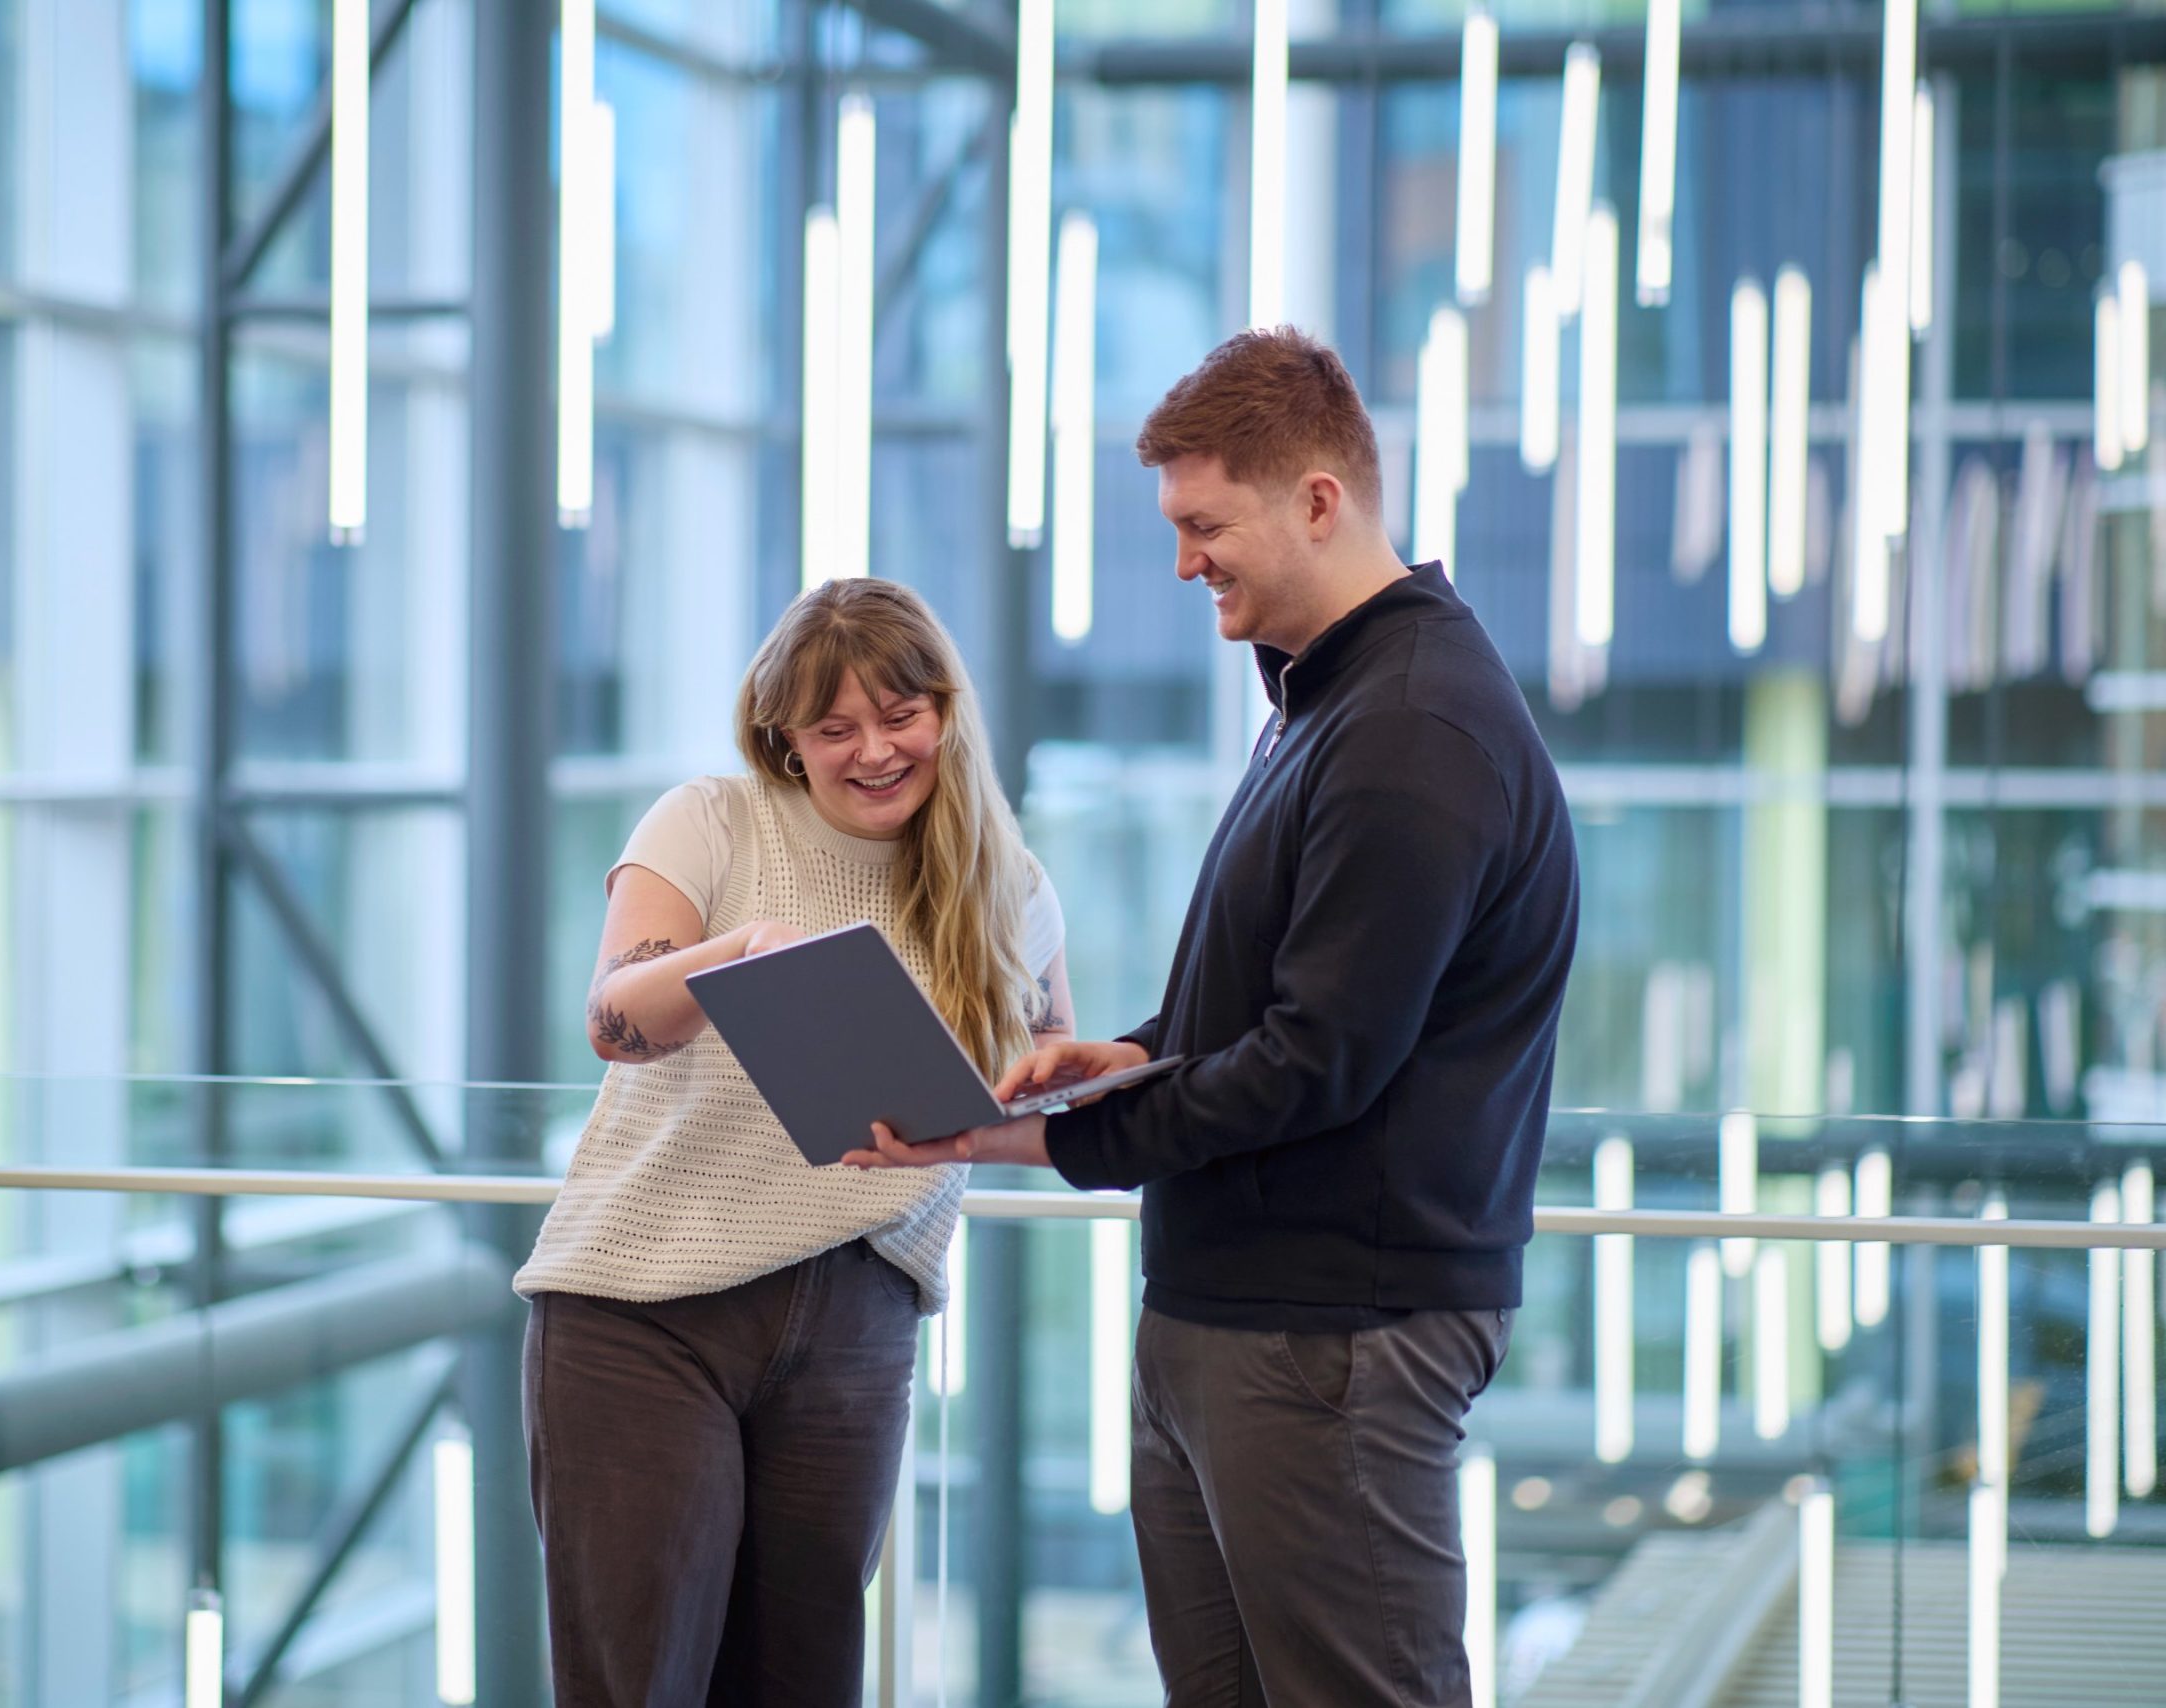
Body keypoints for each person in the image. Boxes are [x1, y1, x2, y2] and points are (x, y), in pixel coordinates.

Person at [849, 326, 1580, 1707]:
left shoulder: (1412, 726)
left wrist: (1015, 1142)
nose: (1185, 563)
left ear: (1319, 499)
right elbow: (1310, 1003)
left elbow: (1319, 1066)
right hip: (1250, 1319)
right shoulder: (1332, 700)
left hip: (1327, 1335)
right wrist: (1135, 1056)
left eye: (1205, 525)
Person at [515, 577, 1074, 1707]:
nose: (873, 750)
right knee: (640, 1678)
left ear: (946, 710)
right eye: (833, 729)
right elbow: (613, 1018)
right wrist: (733, 961)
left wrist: (1036, 1102)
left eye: (899, 715)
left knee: (802, 1678)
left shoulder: (1008, 885)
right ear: (786, 738)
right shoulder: (709, 820)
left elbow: (1048, 1108)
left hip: (857, 1320)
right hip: (644, 1311)